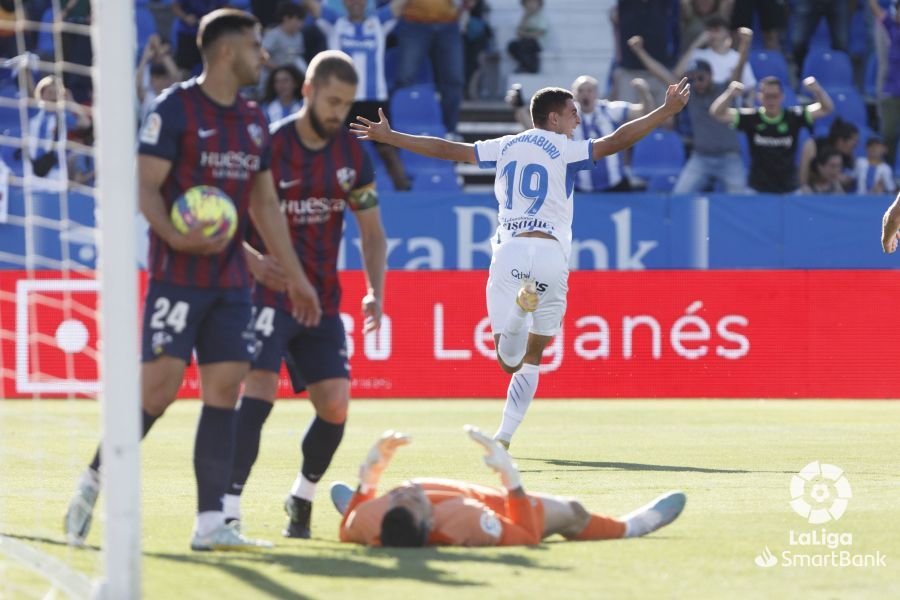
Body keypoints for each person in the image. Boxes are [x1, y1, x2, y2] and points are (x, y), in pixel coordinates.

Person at [63, 8, 322, 552]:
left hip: (230, 283)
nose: (263, 55)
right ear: (228, 52)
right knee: (156, 394)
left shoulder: (253, 119)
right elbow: (145, 187)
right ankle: (94, 480)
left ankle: (210, 524)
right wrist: (174, 237)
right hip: (176, 277)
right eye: (255, 46)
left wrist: (293, 277)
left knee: (225, 389)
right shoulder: (174, 108)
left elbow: (264, 204)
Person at [351, 80, 691, 448]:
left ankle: (517, 318)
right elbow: (618, 141)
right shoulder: (567, 149)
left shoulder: (506, 145)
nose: (578, 119)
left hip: (510, 249)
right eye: (572, 113)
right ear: (554, 119)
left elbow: (449, 150)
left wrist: (393, 138)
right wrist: (665, 111)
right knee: (533, 354)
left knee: (507, 360)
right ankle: (504, 434)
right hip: (549, 255)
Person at [224, 50, 387, 540]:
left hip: (320, 300)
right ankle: (227, 509)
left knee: (335, 405)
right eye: (332, 100)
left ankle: (302, 497)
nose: (339, 112)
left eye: (347, 103)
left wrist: (375, 290)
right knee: (258, 391)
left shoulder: (353, 156)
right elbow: (224, 212)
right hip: (266, 295)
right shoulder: (269, 146)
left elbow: (373, 232)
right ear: (308, 91)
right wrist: (254, 260)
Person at [331, 427, 686, 547]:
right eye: (412, 499)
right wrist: (511, 479)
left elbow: (348, 531)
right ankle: (631, 527)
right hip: (496, 505)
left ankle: (352, 498)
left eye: (399, 496)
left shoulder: (370, 520)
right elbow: (526, 537)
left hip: (383, 517)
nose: (406, 488)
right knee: (572, 511)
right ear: (428, 523)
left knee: (358, 513)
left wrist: (371, 480)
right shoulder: (469, 522)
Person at [303, 0, 412, 190]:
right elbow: (311, 5)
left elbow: (401, 4)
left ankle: (405, 194)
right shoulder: (335, 22)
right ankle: (322, 189)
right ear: (344, 4)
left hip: (373, 99)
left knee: (387, 149)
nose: (356, 3)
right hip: (341, 100)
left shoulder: (378, 21)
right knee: (331, 146)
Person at [630, 30, 750, 193]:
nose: (697, 82)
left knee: (741, 202)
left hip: (729, 157)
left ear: (710, 76)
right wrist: (639, 52)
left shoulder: (724, 88)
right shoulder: (690, 93)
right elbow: (660, 73)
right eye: (692, 79)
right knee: (679, 196)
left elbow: (739, 69)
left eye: (701, 77)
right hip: (701, 157)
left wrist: (745, 44)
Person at [710, 76, 833, 193]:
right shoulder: (751, 117)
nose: (771, 101)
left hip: (790, 189)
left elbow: (826, 109)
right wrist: (729, 93)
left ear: (782, 97)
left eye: (775, 96)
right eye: (767, 96)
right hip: (757, 189)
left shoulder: (794, 116)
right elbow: (717, 113)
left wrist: (818, 90)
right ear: (760, 97)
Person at [393, 0, 466, 138]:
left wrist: (466, 6)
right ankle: (400, 128)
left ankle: (449, 131)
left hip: (449, 22)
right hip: (413, 20)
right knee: (405, 79)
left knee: (454, 80)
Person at [569, 75, 653, 193]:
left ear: (596, 93)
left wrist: (644, 93)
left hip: (615, 184)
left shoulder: (609, 110)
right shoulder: (567, 116)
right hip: (581, 188)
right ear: (574, 95)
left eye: (589, 90)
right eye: (581, 90)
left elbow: (644, 112)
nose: (585, 94)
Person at [23, 75, 91, 192]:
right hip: (33, 171)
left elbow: (85, 123)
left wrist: (70, 101)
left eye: (56, 93)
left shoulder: (63, 116)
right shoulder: (33, 112)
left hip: (56, 172)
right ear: (42, 94)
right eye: (50, 92)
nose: (53, 96)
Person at [675, 15, 756, 92]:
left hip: (728, 101)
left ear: (727, 32)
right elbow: (677, 75)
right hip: (700, 101)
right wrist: (696, 44)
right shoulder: (698, 54)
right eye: (709, 30)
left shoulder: (737, 57)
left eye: (717, 30)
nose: (713, 35)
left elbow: (750, 86)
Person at [870, 0, 900, 167]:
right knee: (888, 135)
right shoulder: (892, 28)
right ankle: (887, 172)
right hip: (891, 94)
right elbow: (876, 9)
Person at [261, 1, 309, 96]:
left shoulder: (298, 36)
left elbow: (298, 58)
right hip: (272, 78)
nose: (300, 24)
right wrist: (279, 69)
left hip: (291, 78)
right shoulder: (274, 35)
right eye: (297, 20)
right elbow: (262, 56)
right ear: (286, 19)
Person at [797, 118, 858, 191]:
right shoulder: (812, 145)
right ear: (840, 141)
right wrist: (832, 176)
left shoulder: (849, 156)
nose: (855, 147)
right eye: (853, 145)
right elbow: (803, 180)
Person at [136, 35, 181, 125]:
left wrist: (160, 51)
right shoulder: (148, 97)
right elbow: (137, 85)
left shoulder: (171, 96)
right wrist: (145, 57)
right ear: (152, 80)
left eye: (164, 79)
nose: (161, 82)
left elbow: (177, 77)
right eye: (157, 79)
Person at [507, 0, 548, 74]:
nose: (531, 5)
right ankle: (524, 65)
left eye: (533, 3)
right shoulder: (525, 17)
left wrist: (526, 35)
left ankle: (532, 67)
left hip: (537, 43)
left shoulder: (540, 16)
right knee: (512, 46)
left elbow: (541, 32)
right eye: (528, 3)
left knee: (526, 43)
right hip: (525, 42)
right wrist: (525, 18)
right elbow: (519, 32)